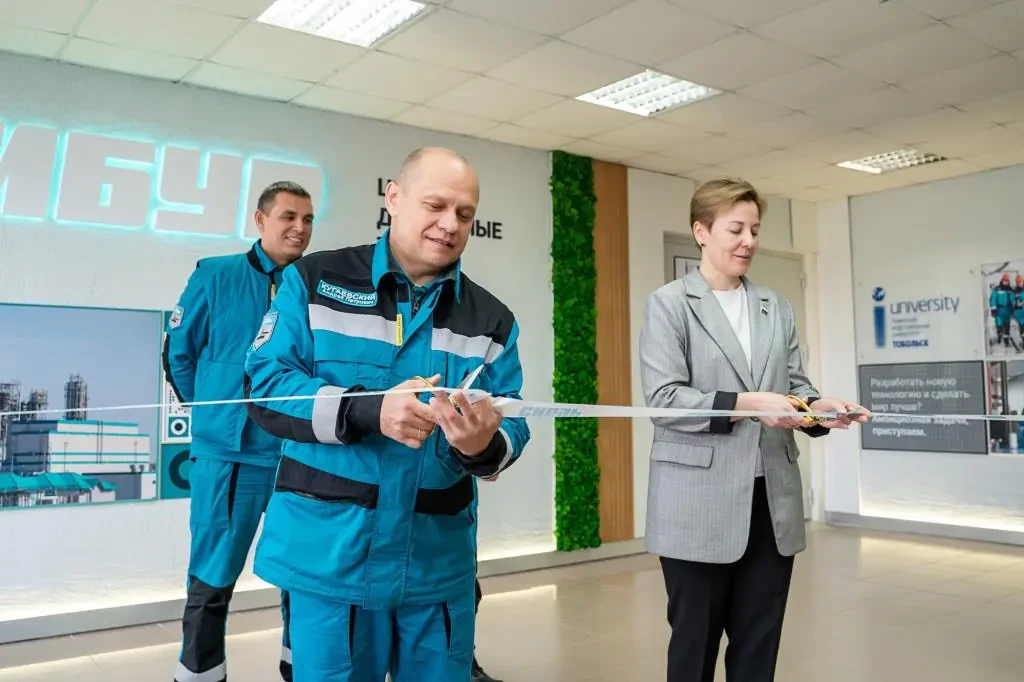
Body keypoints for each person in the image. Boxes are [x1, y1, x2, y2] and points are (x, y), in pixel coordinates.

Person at [243, 146, 530, 682]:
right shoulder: (314, 282)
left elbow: (513, 419)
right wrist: (367, 410)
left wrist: (483, 446)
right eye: (436, 206)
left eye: (464, 214)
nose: (451, 224)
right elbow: (264, 387)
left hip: (435, 568)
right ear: (393, 198)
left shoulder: (492, 320)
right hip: (330, 560)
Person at [638, 177, 868, 682]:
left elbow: (796, 387)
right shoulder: (669, 305)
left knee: (758, 650)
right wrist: (747, 405)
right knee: (694, 647)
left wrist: (820, 408)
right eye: (736, 229)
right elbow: (665, 400)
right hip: (696, 503)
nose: (748, 241)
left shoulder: (775, 306)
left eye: (755, 230)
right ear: (701, 231)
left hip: (771, 502)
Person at [164, 181, 315, 682]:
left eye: (308, 219)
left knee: (303, 573)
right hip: (230, 456)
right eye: (288, 216)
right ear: (261, 220)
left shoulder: (315, 285)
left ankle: (301, 667)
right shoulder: (215, 275)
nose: (299, 228)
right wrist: (216, 416)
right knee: (212, 574)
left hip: (299, 455)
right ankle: (200, 673)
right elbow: (178, 354)